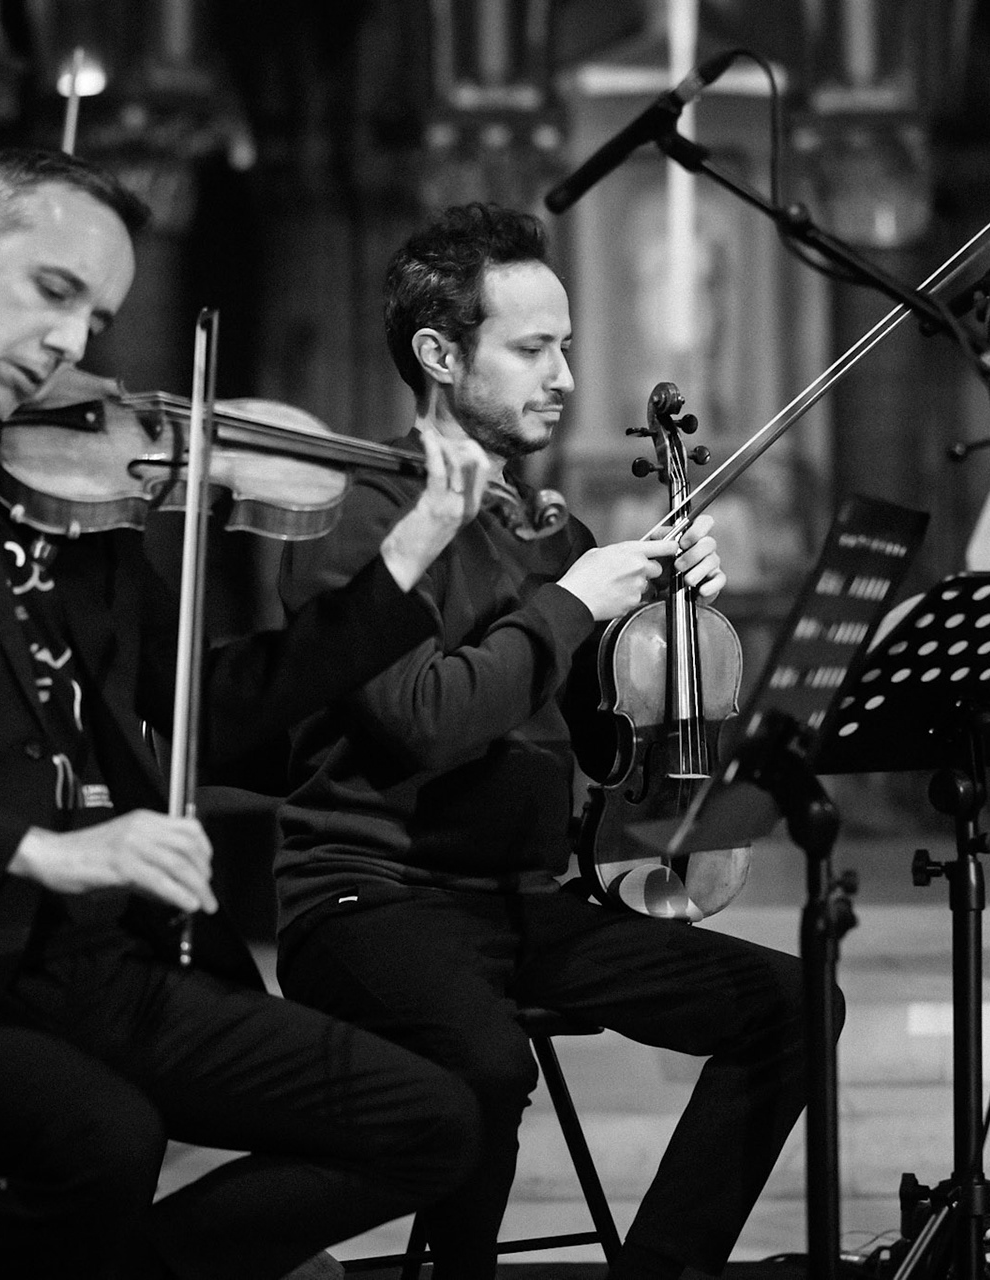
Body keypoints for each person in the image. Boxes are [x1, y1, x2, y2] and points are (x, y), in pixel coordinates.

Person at [0, 149, 497, 1280]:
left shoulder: (68, 466)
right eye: (55, 294)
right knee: (102, 1135)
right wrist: (40, 852)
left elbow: (199, 710)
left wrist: (404, 562)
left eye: (100, 317)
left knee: (430, 1118)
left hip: (93, 962)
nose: (76, 346)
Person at [275, 202, 815, 1280]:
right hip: (369, 893)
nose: (566, 371)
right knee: (484, 1061)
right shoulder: (357, 512)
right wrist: (574, 598)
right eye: (532, 347)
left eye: (565, 343)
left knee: (797, 1006)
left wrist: (660, 631)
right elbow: (423, 719)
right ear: (439, 353)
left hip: (526, 901)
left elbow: (600, 752)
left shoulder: (548, 528)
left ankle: (665, 1266)